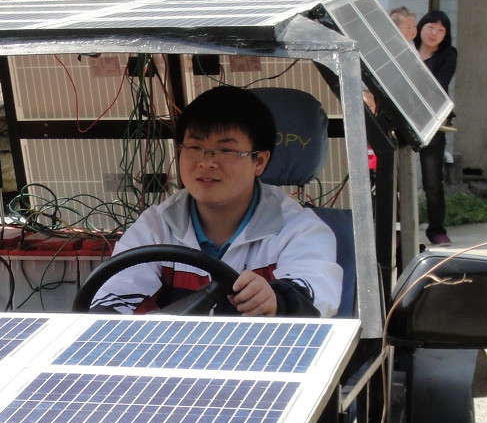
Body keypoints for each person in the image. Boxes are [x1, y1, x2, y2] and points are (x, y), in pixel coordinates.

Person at [90, 85, 343, 317]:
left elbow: (313, 293)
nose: (206, 162)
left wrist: (275, 300)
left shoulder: (299, 229)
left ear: (259, 161)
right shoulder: (155, 227)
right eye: (194, 146)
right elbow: (113, 299)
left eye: (225, 150)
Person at [415, 10, 457, 245]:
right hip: (401, 118)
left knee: (432, 179)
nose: (434, 33)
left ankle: (437, 229)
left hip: (433, 121)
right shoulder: (405, 49)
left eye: (441, 30)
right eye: (431, 27)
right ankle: (398, 228)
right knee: (396, 177)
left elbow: (438, 85)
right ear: (421, 26)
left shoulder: (448, 55)